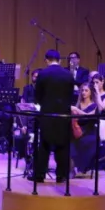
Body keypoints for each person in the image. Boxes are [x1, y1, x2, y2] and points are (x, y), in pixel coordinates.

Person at [32, 49, 76, 183]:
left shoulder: (43, 74)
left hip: (47, 113)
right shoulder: (68, 74)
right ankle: (61, 175)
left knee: (44, 144)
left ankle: (40, 175)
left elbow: (38, 95)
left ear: (46, 60)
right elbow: (71, 95)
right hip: (64, 113)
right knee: (62, 145)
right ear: (60, 61)